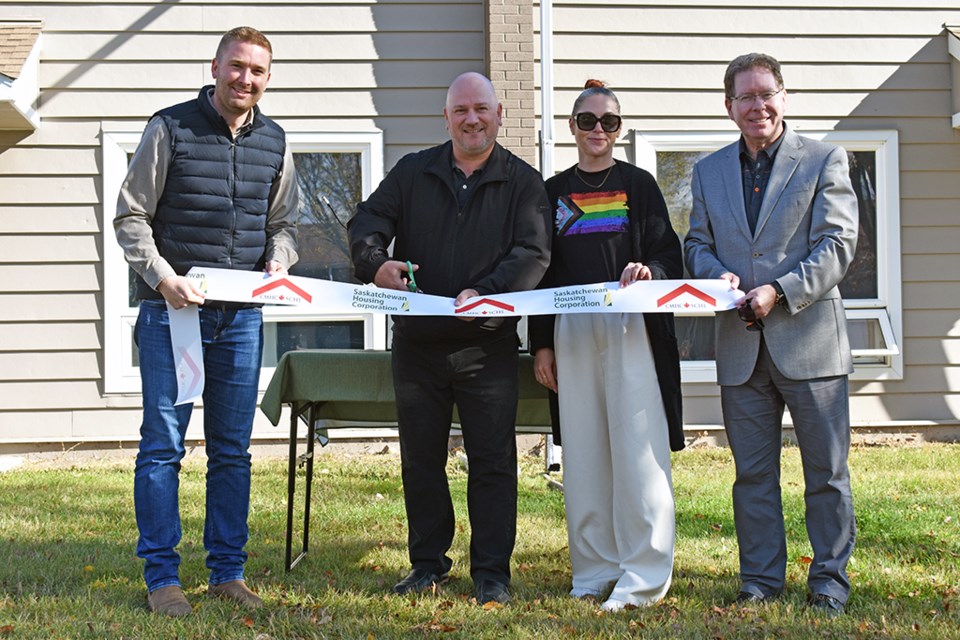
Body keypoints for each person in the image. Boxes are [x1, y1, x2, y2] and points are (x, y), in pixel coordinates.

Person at [114, 26, 299, 617]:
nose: (246, 79)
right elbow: (131, 216)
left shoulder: (276, 141)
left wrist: (279, 261)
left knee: (232, 450)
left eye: (258, 71)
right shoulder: (169, 127)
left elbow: (286, 224)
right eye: (237, 66)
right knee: (163, 447)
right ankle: (162, 578)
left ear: (268, 79)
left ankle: (227, 572)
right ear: (215, 66)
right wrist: (162, 277)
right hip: (172, 316)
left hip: (241, 320)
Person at [348, 72, 551, 605]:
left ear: (499, 113)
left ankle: (491, 574)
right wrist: (374, 264)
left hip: (487, 346)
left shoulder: (523, 182)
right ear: (446, 118)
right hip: (418, 345)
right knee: (420, 460)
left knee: (493, 460)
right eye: (460, 110)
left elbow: (533, 254)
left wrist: (485, 294)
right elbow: (366, 220)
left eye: (481, 108)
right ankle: (427, 565)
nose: (471, 119)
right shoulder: (414, 172)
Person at [684, 52, 858, 615]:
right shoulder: (708, 171)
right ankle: (760, 579)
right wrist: (716, 277)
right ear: (728, 106)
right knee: (752, 475)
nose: (757, 105)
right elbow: (696, 245)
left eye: (766, 93)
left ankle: (829, 581)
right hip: (739, 347)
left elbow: (838, 245)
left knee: (826, 474)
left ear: (783, 97)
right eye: (745, 97)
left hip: (809, 343)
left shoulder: (824, 159)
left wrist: (779, 291)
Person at [528, 80, 684, 612]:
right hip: (571, 332)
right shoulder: (549, 193)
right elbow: (541, 273)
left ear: (620, 130)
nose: (599, 130)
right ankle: (593, 572)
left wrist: (651, 271)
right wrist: (541, 344)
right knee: (585, 454)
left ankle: (642, 576)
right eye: (589, 121)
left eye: (610, 122)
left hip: (630, 329)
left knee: (639, 453)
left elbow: (668, 253)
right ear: (572, 127)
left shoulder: (639, 186)